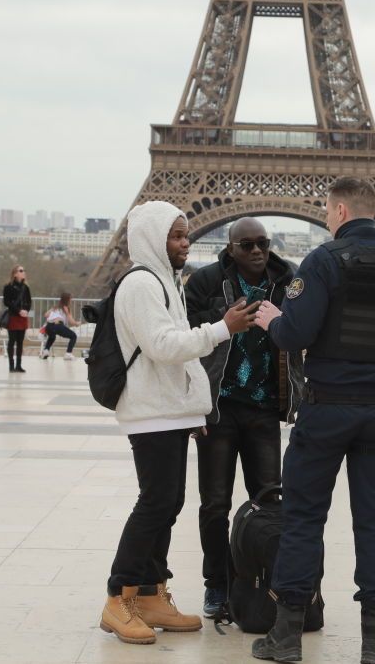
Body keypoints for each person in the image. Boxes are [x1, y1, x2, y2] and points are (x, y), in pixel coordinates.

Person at [251, 176, 375, 664]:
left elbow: (295, 334)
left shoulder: (322, 262)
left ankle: (287, 633)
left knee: (303, 517)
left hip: (327, 406)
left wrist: (272, 318)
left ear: (337, 211)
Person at [99, 200, 256, 645]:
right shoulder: (141, 285)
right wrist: (222, 328)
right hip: (150, 411)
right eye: (176, 236)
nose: (186, 243)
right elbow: (164, 346)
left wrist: (193, 408)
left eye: (187, 235)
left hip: (165, 409)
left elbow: (175, 359)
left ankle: (149, 593)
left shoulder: (167, 280)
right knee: (155, 503)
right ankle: (118, 596)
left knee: (168, 504)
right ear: (152, 238)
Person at [184, 217, 303, 618]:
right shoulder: (204, 283)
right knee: (214, 504)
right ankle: (217, 584)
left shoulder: (290, 284)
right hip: (219, 408)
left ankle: (258, 580)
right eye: (247, 244)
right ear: (230, 248)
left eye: (262, 243)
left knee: (268, 500)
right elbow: (187, 338)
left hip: (265, 408)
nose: (256, 251)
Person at [3, 265, 32, 373]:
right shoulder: (8, 286)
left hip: (23, 317)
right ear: (15, 274)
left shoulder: (26, 287)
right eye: (21, 270)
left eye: (24, 270)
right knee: (12, 340)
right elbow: (7, 302)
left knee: (20, 341)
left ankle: (19, 365)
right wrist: (18, 311)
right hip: (13, 316)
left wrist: (26, 310)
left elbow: (29, 301)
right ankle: (11, 365)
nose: (23, 272)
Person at [42, 293, 79, 360]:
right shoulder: (66, 308)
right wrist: (77, 323)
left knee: (52, 337)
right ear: (67, 300)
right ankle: (68, 353)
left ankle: (46, 351)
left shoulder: (55, 307)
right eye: (70, 299)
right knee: (73, 336)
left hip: (48, 326)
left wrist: (53, 313)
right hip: (58, 325)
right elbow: (71, 321)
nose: (71, 301)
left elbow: (46, 315)